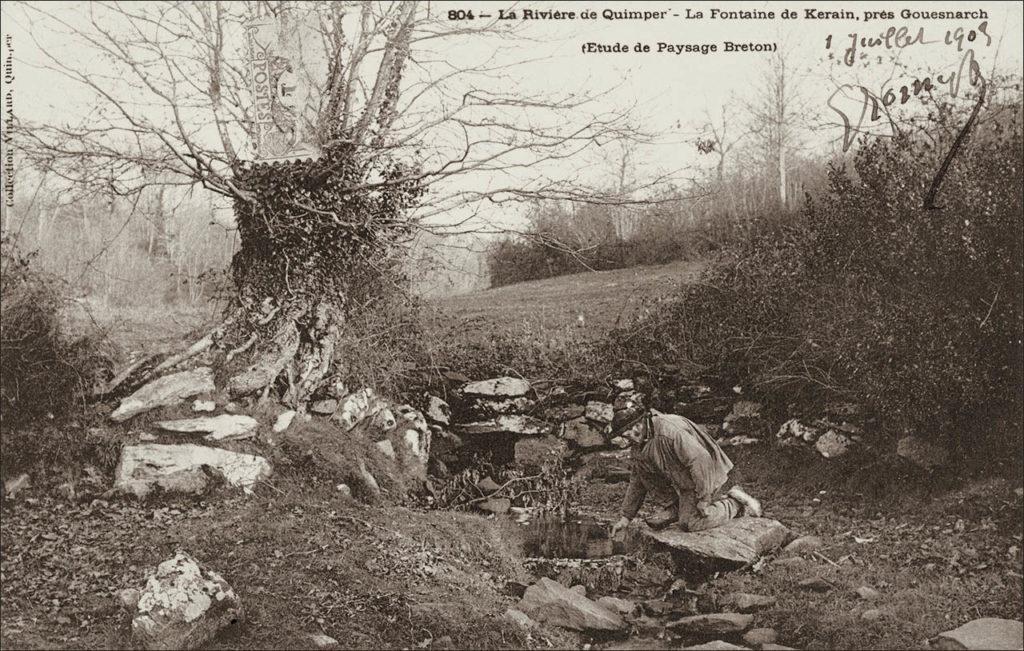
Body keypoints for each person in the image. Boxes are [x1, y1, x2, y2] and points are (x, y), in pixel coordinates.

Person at [610, 408, 762, 537]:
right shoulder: (639, 442)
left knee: (690, 522)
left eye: (629, 431)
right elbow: (638, 479)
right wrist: (626, 517)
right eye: (624, 434)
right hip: (688, 479)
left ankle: (735, 504)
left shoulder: (670, 431)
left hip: (710, 473)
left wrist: (704, 498)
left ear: (639, 423)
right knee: (642, 467)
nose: (628, 436)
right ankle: (674, 507)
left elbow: (701, 459)